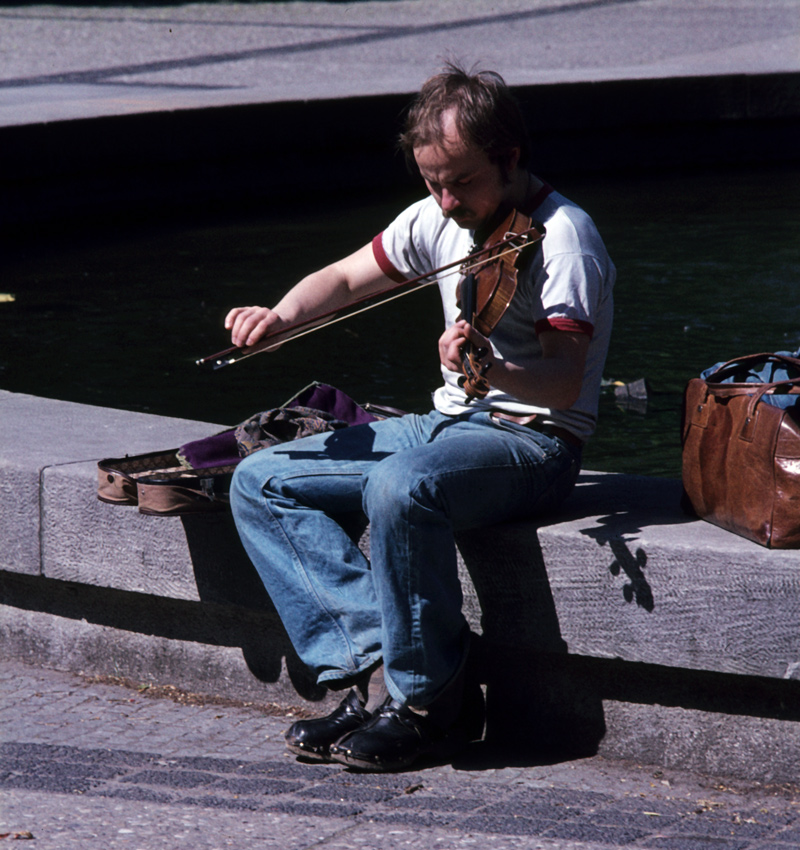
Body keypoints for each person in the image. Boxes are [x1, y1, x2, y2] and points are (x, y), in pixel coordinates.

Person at [225, 62, 615, 772]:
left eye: (459, 180)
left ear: (510, 157)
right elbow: (344, 278)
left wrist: (489, 369)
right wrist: (279, 316)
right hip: (445, 427)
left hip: (533, 443)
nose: (443, 198)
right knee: (260, 480)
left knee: (399, 487)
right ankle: (376, 668)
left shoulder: (564, 240)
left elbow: (562, 384)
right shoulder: (439, 217)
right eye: (431, 180)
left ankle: (432, 704)